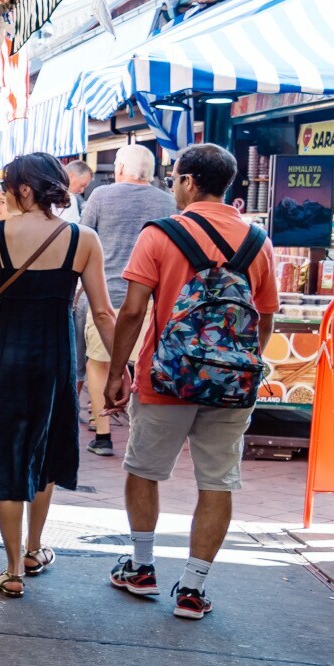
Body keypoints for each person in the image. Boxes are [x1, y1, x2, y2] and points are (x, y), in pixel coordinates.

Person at [103, 143, 276, 620]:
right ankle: (193, 590)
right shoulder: (258, 240)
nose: (173, 186)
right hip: (232, 385)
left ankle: (141, 568)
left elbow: (134, 310)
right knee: (218, 481)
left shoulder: (161, 235)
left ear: (189, 182)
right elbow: (264, 319)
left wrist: (117, 371)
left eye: (175, 178)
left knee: (144, 469)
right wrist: (239, 364)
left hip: (165, 378)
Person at [0, 153, 117, 598]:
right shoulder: (83, 238)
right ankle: (36, 549)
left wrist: (8, 283)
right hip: (56, 359)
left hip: (4, 356)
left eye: (9, 186)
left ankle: (13, 568)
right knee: (46, 447)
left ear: (24, 190)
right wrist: (121, 365)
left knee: (6, 454)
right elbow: (102, 311)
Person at [77, 144, 175, 457]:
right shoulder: (167, 201)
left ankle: (103, 434)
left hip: (105, 297)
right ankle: (141, 434)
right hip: (150, 299)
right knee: (144, 366)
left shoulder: (100, 196)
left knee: (99, 363)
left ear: (120, 168)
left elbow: (83, 240)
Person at [58, 160, 92, 224]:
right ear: (71, 175)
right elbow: (70, 230)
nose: (82, 191)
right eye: (82, 185)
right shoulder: (70, 198)